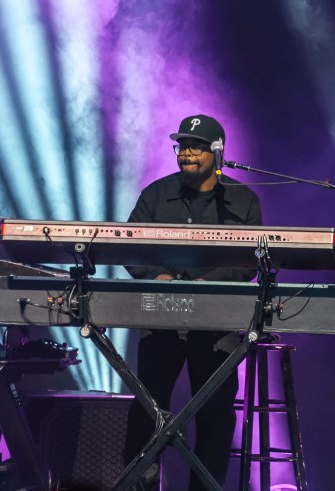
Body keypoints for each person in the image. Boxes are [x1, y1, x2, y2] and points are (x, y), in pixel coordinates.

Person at [124, 114, 262, 491]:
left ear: (217, 152)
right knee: (148, 409)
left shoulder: (242, 200)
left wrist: (208, 284)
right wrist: (156, 276)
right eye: (182, 146)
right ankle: (140, 484)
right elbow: (129, 247)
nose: (186, 153)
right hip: (160, 318)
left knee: (215, 413)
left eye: (196, 147)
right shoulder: (155, 195)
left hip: (217, 322)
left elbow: (251, 261)